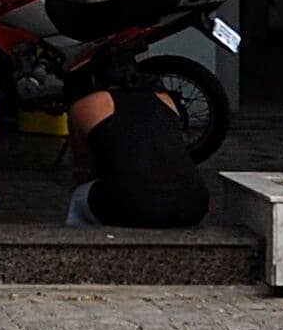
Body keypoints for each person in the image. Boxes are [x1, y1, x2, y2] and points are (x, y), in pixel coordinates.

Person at [64, 52, 212, 228]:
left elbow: (86, 168)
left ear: (94, 77)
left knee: (81, 196)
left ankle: (80, 249)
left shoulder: (86, 105)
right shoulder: (166, 100)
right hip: (194, 203)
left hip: (137, 207)